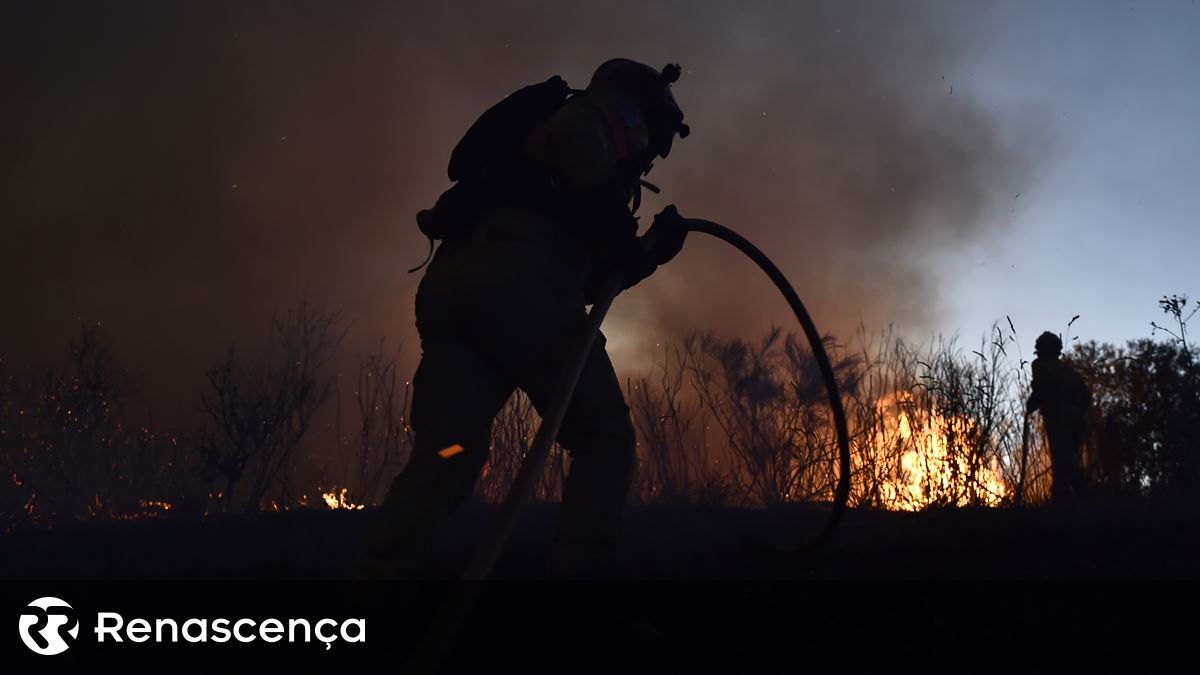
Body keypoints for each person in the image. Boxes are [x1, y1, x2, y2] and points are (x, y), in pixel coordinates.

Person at [358, 59, 692, 579]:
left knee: (450, 452)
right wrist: (632, 242)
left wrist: (647, 251)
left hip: (459, 290)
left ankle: (369, 589)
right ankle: (579, 599)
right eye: (657, 138)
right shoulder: (605, 114)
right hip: (518, 286)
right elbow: (585, 186)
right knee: (604, 436)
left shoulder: (531, 159)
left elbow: (591, 283)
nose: (649, 155)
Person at [1026, 331, 1092, 502]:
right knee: (1068, 458)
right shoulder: (1070, 371)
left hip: (1059, 417)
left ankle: (1077, 492)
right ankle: (1064, 499)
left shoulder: (1039, 365)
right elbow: (1086, 397)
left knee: (1064, 459)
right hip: (1078, 419)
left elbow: (1041, 387)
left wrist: (1031, 404)